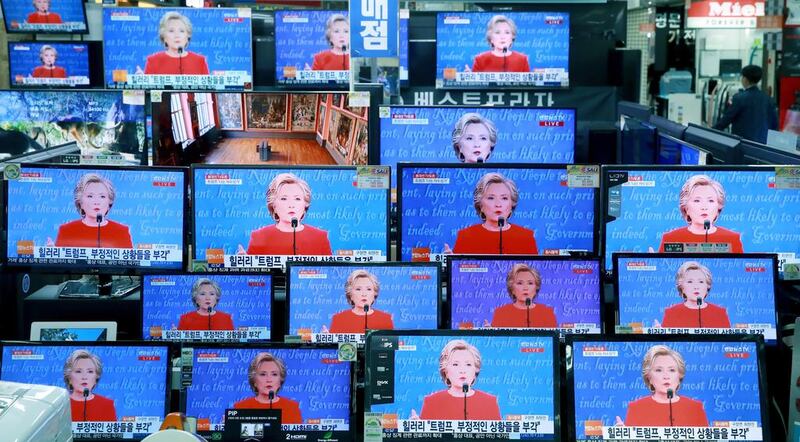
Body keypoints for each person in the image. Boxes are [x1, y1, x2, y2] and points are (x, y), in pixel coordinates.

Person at [615, 345, 709, 427]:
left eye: (671, 370)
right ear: (649, 378)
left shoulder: (695, 408)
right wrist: (622, 436)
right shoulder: (636, 408)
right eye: (659, 370)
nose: (666, 376)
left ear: (679, 376)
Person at [445, 172, 538, 255]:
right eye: (491, 198)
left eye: (504, 198)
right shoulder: (466, 237)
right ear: (480, 205)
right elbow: (459, 272)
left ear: (512, 205)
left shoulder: (526, 237)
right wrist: (451, 263)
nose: (498, 204)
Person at [240, 173, 332, 256]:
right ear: (274, 206)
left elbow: (330, 273)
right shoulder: (259, 236)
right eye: (284, 199)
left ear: (305, 204)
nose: (291, 205)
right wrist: (243, 266)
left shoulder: (320, 238)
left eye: (297, 199)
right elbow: (253, 274)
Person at [411, 340, 501, 420]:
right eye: (455, 364)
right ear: (446, 371)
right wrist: (418, 429)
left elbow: (500, 437)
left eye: (468, 364)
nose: (462, 370)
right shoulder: (431, 402)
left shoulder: (489, 402)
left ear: (476, 370)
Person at [658, 175, 743, 253]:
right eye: (697, 201)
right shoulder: (670, 239)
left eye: (710, 201)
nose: (704, 207)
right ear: (686, 208)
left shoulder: (732, 239)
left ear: (718, 207)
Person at [50, 173, 133, 248]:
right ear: (80, 202)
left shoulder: (121, 231)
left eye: (102, 196)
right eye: (90, 196)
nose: (96, 202)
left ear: (109, 203)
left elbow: (130, 263)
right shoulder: (66, 230)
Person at [713, 65, 778, 144]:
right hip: (762, 145)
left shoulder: (738, 98)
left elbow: (725, 120)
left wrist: (710, 131)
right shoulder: (768, 99)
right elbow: (774, 125)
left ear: (745, 79)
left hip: (743, 145)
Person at [233, 352, 303, 424]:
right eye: (263, 374)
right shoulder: (240, 407)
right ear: (254, 381)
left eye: (274, 374)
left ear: (280, 380)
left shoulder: (292, 408)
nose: (269, 379)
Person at [657, 261, 730, 328]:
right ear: (682, 287)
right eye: (690, 282)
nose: (696, 286)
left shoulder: (720, 313)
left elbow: (728, 341)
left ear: (707, 286)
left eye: (701, 282)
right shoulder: (671, 313)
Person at [327, 269, 394, 333]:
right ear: (350, 295)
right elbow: (335, 344)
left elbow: (390, 344)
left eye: (369, 289)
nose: (364, 294)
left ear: (375, 294)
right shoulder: (339, 319)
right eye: (358, 289)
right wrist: (327, 342)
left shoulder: (385, 319)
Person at [142, 12, 209, 75]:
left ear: (188, 36)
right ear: (164, 37)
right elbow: (146, 87)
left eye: (181, 31)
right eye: (171, 31)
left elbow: (209, 87)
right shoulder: (153, 61)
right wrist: (140, 83)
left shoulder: (200, 62)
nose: (177, 35)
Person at [490, 264, 557, 328]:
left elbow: (556, 338)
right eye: (520, 283)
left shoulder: (547, 313)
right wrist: (489, 334)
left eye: (530, 283)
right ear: (512, 289)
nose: (525, 288)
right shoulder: (501, 313)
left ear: (536, 288)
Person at [63, 349, 117, 422]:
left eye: (90, 371)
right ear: (69, 377)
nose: (84, 377)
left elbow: (110, 433)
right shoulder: (60, 406)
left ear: (96, 377)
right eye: (78, 371)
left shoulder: (107, 405)